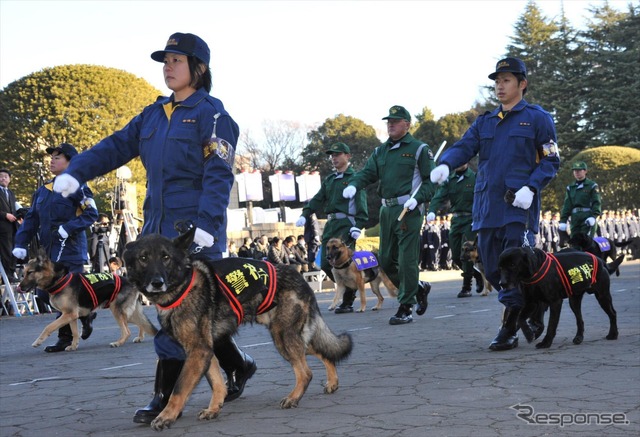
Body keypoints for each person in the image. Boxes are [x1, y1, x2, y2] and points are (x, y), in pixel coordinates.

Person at [51, 33, 256, 424]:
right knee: (196, 318)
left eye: (177, 60)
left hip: (193, 234)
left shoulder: (213, 115)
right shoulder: (151, 115)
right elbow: (113, 147)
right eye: (165, 60)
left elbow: (218, 174)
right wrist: (76, 173)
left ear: (199, 68)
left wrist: (207, 225)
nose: (168, 67)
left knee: (179, 318)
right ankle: (240, 365)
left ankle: (164, 397)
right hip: (155, 233)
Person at [430, 57, 560, 350]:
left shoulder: (538, 118)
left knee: (513, 269)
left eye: (507, 81)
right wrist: (447, 164)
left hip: (517, 206)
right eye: (497, 81)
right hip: (486, 207)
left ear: (522, 84)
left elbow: (551, 160)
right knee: (491, 270)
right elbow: (465, 146)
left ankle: (509, 328)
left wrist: (531, 186)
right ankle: (535, 306)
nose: (500, 86)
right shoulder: (485, 121)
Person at [343, 106, 434, 325]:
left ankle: (406, 306)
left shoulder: (419, 149)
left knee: (406, 259)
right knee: (384, 258)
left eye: (396, 121)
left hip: (408, 209)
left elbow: (432, 181)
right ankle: (416, 287)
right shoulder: (380, 151)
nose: (391, 124)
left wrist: (418, 198)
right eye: (388, 121)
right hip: (387, 209)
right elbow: (367, 173)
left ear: (407, 124)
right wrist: (354, 184)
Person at [12, 144, 99, 351]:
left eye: (57, 157)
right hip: (49, 252)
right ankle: (86, 314)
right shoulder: (43, 190)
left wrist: (68, 228)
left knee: (63, 293)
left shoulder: (78, 186)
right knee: (44, 293)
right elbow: (31, 219)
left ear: (70, 162)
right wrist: (20, 243)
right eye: (51, 157)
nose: (52, 160)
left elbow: (91, 214)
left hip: (70, 250)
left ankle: (65, 337)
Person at [295, 142, 368, 313]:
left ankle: (348, 300)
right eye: (332, 155)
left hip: (346, 224)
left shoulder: (355, 179)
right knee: (327, 263)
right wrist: (305, 214)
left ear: (348, 156)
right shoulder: (329, 180)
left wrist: (358, 225)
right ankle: (349, 290)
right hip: (331, 224)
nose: (334, 158)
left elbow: (361, 204)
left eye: (338, 154)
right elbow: (318, 199)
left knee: (345, 263)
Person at [426, 163, 484, 297]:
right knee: (457, 255)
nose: (459, 163)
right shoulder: (449, 180)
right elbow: (438, 196)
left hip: (471, 219)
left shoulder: (474, 178)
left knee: (468, 252)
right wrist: (432, 210)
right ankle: (476, 273)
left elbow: (481, 199)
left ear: (467, 162)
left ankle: (466, 285)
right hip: (457, 219)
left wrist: (480, 216)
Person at [559, 161, 602, 238]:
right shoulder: (570, 187)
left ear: (585, 171)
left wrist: (594, 216)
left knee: (586, 243)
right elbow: (567, 205)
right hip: (575, 217)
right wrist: (563, 220)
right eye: (575, 170)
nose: (576, 172)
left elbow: (596, 202)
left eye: (579, 170)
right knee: (574, 242)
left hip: (587, 216)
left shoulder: (592, 185)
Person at [0, 168, 19, 282]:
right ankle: (7, 275)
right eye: (1, 176)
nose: (3, 178)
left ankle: (11, 272)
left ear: (9, 179)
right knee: (6, 250)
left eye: (5, 176)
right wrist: (5, 215)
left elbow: (14, 208)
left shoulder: (11, 193)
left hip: (13, 226)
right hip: (2, 227)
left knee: (14, 250)